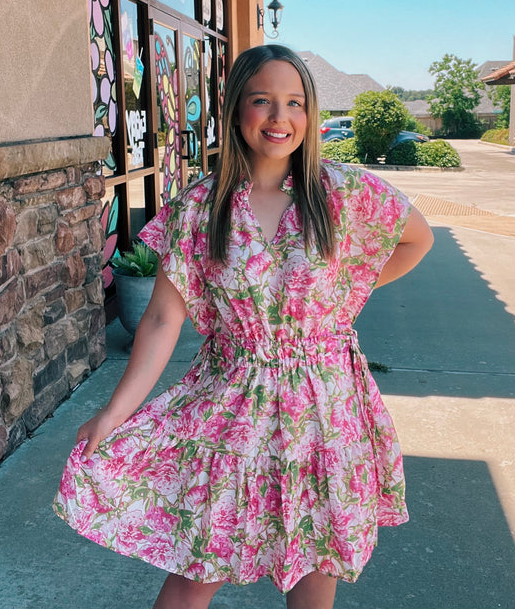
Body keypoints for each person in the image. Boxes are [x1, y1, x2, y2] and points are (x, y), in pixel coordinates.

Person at [53, 44, 433, 609]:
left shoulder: (345, 192)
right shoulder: (201, 208)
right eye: (263, 101)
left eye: (295, 103)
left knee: (315, 564)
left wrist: (333, 298)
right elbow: (161, 317)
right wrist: (115, 411)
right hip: (233, 409)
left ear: (310, 113)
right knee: (197, 568)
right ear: (236, 111)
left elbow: (416, 239)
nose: (280, 118)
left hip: (324, 411)